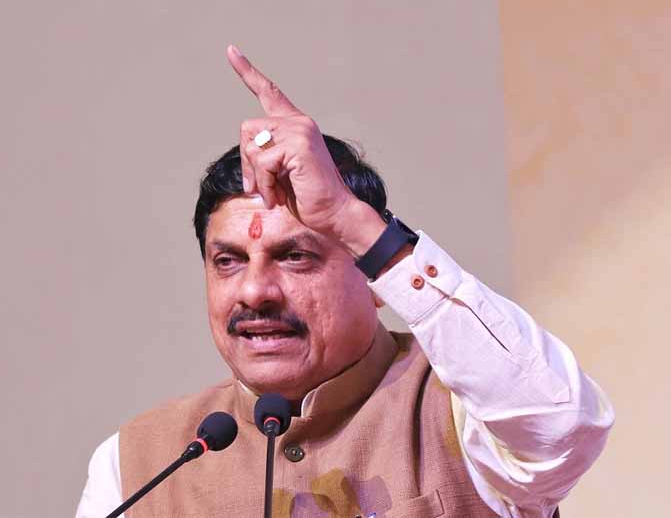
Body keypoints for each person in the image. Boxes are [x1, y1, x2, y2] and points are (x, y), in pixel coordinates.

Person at [75, 45, 613, 518]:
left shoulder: (464, 411)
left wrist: (355, 224)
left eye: (295, 256)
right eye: (229, 261)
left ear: (376, 280)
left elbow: (564, 427)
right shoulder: (140, 463)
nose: (255, 291)